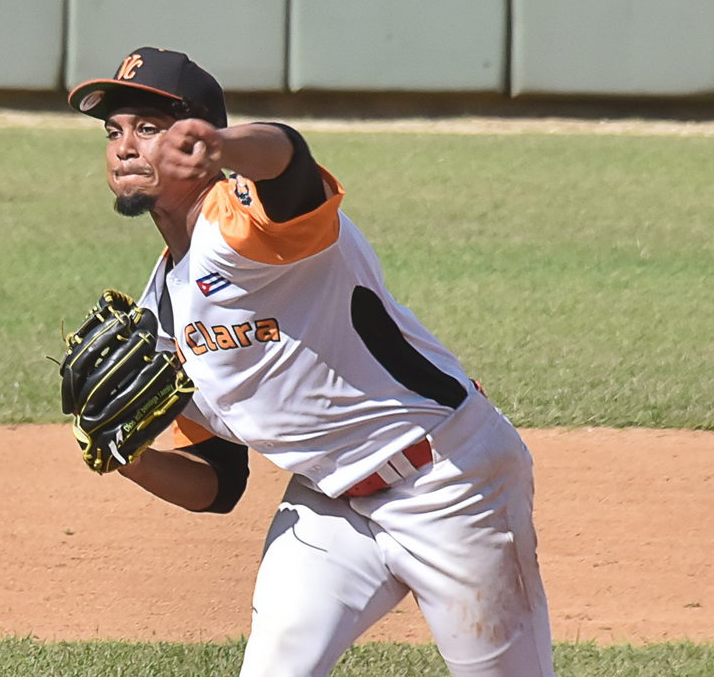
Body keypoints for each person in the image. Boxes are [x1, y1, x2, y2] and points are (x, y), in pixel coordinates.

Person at [65, 46, 555, 677]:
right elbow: (218, 484)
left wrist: (226, 147)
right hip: (329, 506)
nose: (125, 146)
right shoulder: (162, 308)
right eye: (115, 132)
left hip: (450, 483)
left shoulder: (242, 219)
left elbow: (288, 159)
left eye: (150, 128)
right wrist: (124, 457)